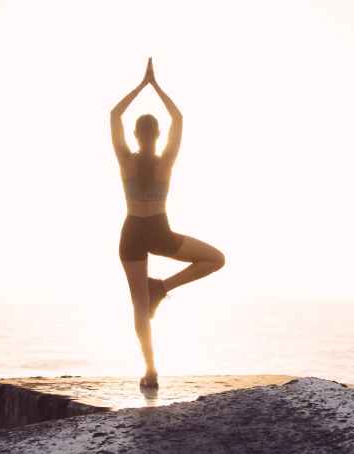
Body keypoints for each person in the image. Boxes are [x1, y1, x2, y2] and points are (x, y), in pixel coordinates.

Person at [110, 57, 226, 388]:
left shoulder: (126, 160)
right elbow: (178, 117)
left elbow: (114, 115)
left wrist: (141, 85)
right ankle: (161, 288)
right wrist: (155, 85)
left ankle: (150, 369)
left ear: (136, 134)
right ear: (158, 135)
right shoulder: (166, 161)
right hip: (157, 231)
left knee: (139, 305)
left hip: (134, 231)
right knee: (215, 259)